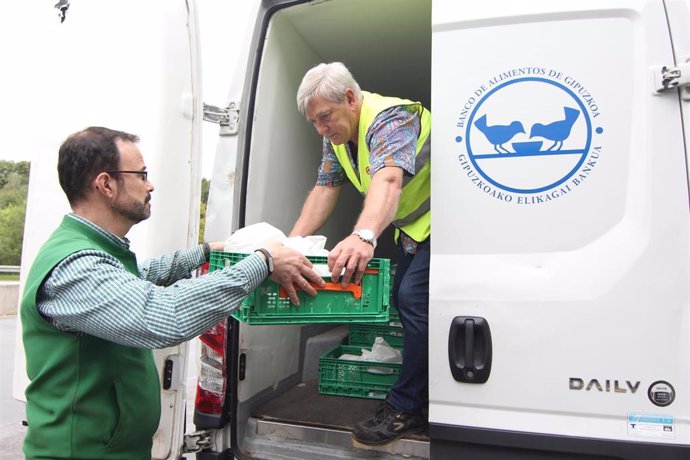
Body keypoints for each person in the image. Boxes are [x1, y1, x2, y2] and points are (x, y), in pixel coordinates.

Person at [20, 126, 324, 460]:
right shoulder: (75, 267)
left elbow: (141, 276)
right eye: (141, 174)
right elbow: (164, 315)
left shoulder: (94, 251)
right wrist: (263, 262)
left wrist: (208, 251)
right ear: (106, 184)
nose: (150, 185)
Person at [291, 62, 431, 445]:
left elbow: (388, 178)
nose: (321, 128)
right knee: (408, 306)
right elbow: (325, 188)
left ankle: (408, 408)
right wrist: (291, 244)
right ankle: (424, 396)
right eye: (314, 122)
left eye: (325, 117)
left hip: (446, 224)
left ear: (350, 98)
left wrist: (364, 236)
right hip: (415, 231)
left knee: (414, 301)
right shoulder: (335, 137)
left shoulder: (391, 119)